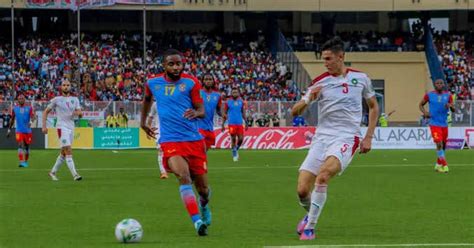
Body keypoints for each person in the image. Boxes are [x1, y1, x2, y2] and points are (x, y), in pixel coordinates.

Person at [291, 37, 379, 240]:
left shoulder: (361, 78)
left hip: (347, 137)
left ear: (341, 57)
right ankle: (309, 214)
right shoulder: (319, 83)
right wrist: (308, 99)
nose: (326, 63)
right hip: (322, 138)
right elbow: (294, 112)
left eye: (329, 58)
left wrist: (369, 137)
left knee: (323, 176)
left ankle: (310, 228)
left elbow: (373, 106)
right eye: (324, 59)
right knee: (302, 190)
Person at [140, 49, 210, 236]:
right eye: (171, 63)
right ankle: (197, 222)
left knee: (203, 189)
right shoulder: (153, 83)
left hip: (194, 141)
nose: (176, 67)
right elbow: (146, 100)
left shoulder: (190, 82)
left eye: (178, 63)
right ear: (164, 65)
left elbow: (201, 108)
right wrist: (143, 122)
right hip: (170, 141)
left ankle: (204, 205)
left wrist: (197, 113)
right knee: (183, 176)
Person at [42, 80, 83, 181]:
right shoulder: (57, 99)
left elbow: (79, 112)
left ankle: (52, 172)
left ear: (70, 87)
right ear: (61, 87)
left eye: (67, 85)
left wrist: (79, 114)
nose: (66, 87)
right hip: (61, 127)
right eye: (64, 85)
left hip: (71, 127)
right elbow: (45, 112)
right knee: (68, 149)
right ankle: (75, 175)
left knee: (64, 153)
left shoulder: (75, 99)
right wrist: (44, 126)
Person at [419, 79, 455, 173]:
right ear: (434, 85)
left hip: (444, 124)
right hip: (434, 123)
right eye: (437, 83)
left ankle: (438, 165)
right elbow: (420, 105)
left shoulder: (448, 95)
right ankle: (445, 165)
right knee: (439, 143)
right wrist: (425, 112)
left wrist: (450, 106)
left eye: (441, 83)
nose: (439, 84)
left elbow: (454, 109)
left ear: (443, 84)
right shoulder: (429, 95)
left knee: (443, 146)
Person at [7, 94, 35, 167]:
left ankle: (25, 161)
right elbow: (12, 119)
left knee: (27, 147)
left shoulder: (29, 108)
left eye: (22, 98)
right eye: (19, 99)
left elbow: (33, 117)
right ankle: (21, 161)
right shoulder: (15, 109)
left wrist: (31, 122)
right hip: (19, 131)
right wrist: (9, 130)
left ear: (24, 100)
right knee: (20, 144)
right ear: (17, 100)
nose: (21, 100)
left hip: (28, 131)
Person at [222, 87, 248, 162]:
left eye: (236, 92)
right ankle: (234, 156)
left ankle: (235, 150)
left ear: (238, 93)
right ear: (231, 93)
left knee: (241, 139)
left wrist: (246, 122)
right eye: (233, 92)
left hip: (239, 123)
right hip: (231, 123)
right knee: (233, 139)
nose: (235, 93)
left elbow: (243, 113)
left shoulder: (241, 102)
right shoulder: (228, 102)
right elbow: (225, 113)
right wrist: (223, 124)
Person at [197, 73, 222, 151]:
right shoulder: (198, 93)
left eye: (210, 79)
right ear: (203, 81)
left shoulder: (217, 95)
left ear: (213, 81)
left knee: (204, 152)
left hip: (209, 128)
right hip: (198, 127)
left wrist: (224, 114)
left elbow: (218, 110)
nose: (208, 81)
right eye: (206, 79)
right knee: (201, 149)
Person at [146, 101, 168, 179]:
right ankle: (163, 172)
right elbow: (150, 117)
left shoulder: (171, 101)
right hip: (158, 130)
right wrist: (148, 130)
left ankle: (170, 167)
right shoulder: (155, 104)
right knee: (160, 150)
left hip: (171, 130)